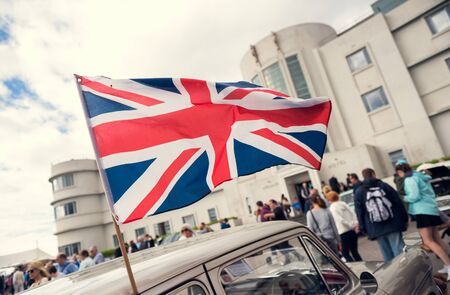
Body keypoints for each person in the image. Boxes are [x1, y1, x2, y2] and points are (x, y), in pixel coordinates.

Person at [395, 162, 450, 277]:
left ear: (400, 172)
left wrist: (403, 197)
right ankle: (447, 264)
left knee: (428, 241)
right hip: (431, 209)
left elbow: (414, 196)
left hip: (422, 211)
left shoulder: (409, 179)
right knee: (436, 238)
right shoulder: (420, 176)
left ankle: (448, 265)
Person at [354, 168, 408, 262]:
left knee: (387, 254)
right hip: (393, 223)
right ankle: (405, 271)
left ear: (363, 177)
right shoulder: (384, 186)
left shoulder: (359, 192)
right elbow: (398, 202)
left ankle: (393, 274)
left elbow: (360, 212)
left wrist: (364, 228)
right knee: (399, 251)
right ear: (373, 174)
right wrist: (405, 218)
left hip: (375, 227)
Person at [327, 191, 362, 262]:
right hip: (352, 230)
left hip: (343, 232)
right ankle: (362, 266)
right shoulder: (344, 204)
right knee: (354, 251)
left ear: (329, 199)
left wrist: (349, 225)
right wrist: (354, 224)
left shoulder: (332, 208)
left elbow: (340, 220)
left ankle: (355, 269)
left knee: (345, 253)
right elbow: (353, 214)